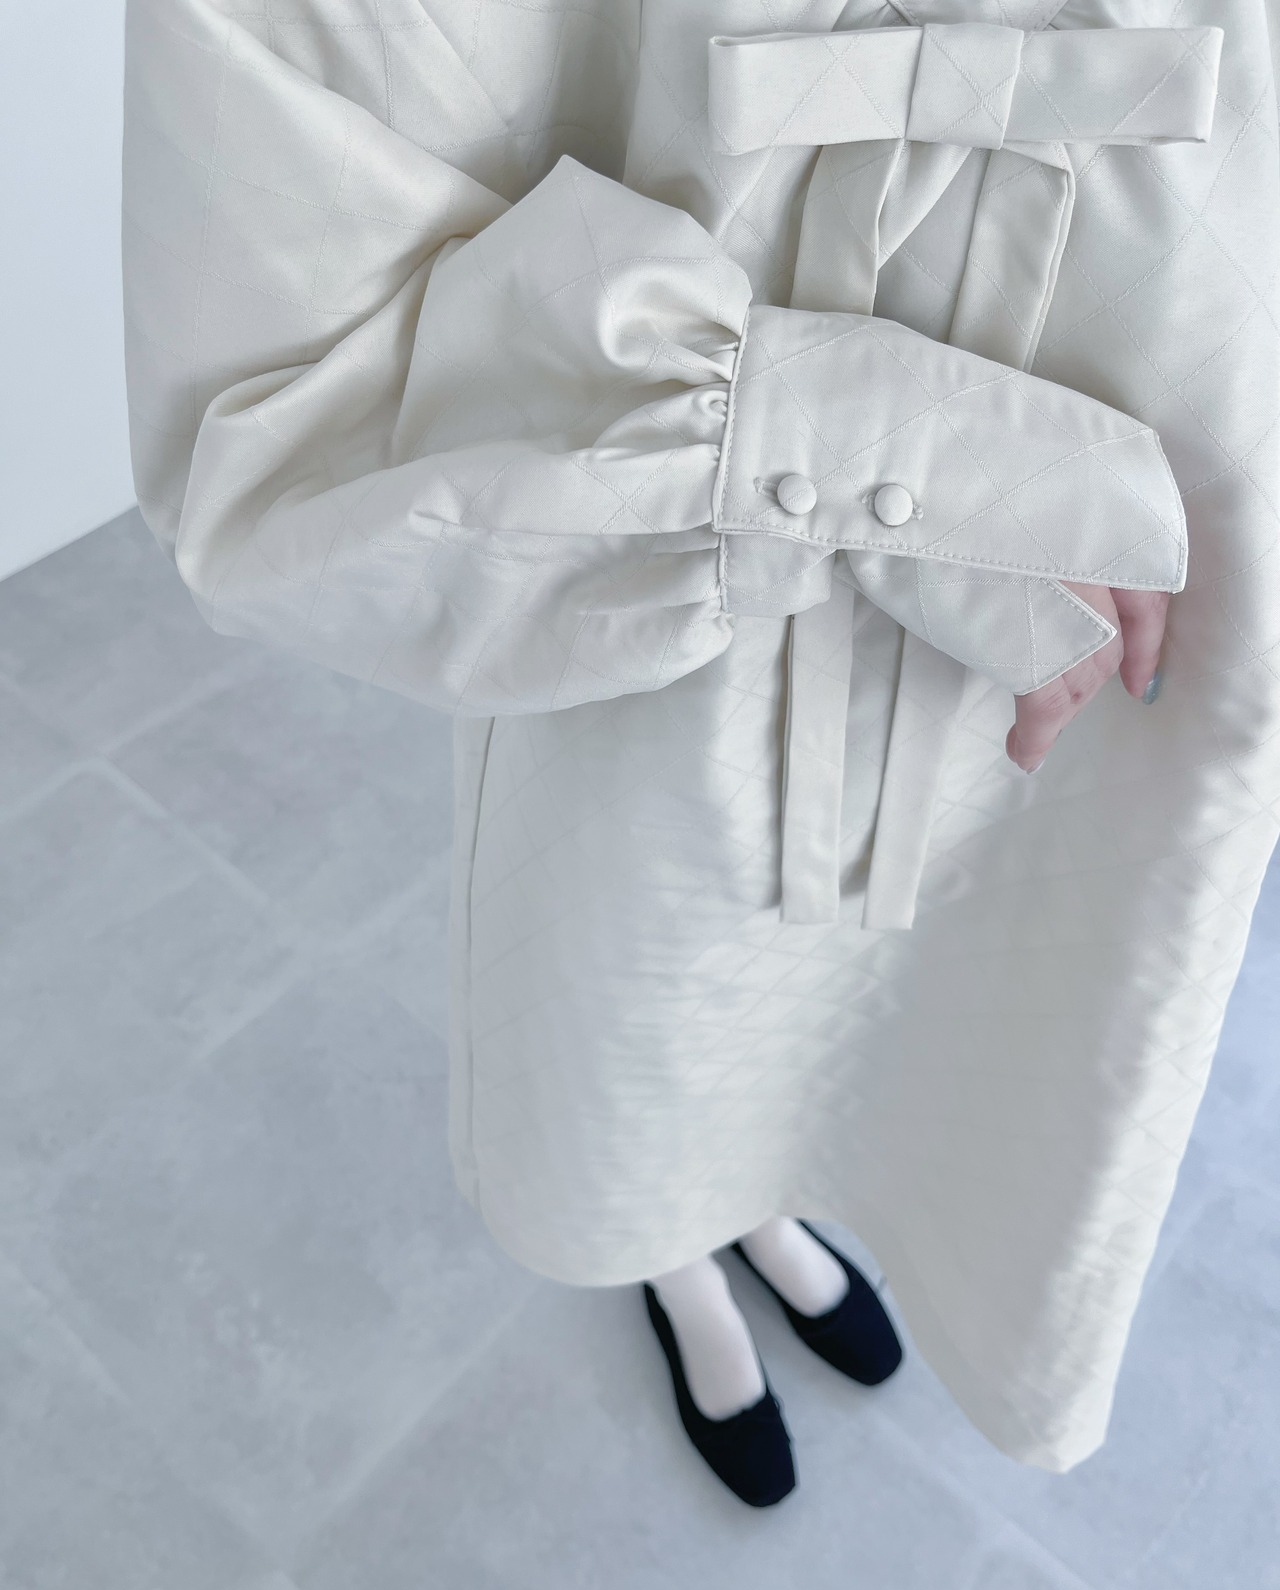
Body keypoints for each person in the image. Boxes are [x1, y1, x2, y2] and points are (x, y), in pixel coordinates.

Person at [121, 0, 1279, 1506]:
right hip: (649, 618)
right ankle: (672, 1257)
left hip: (1112, 691)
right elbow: (274, 388)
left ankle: (754, 1213)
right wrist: (895, 465)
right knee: (639, 1032)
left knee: (902, 1040)